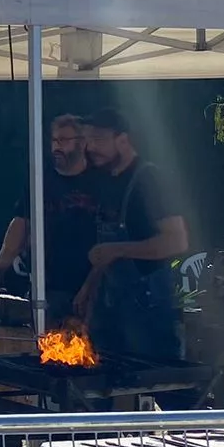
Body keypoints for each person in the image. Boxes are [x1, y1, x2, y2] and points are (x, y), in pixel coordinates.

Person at [77, 107, 190, 360]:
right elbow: (104, 252)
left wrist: (118, 250)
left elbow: (177, 241)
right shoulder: (107, 181)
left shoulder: (149, 180)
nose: (90, 147)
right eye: (87, 140)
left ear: (123, 140)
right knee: (106, 383)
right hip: (111, 303)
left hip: (150, 305)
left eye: (98, 140)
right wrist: (89, 288)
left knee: (164, 382)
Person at [0, 114, 106, 321]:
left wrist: (91, 286)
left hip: (90, 285)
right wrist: (2, 260)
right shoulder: (41, 179)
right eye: (54, 140)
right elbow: (21, 221)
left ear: (82, 143)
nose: (57, 147)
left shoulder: (99, 181)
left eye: (64, 141)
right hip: (47, 286)